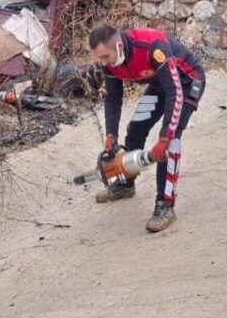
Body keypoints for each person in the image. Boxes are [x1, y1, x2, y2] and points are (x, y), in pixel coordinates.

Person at [88, 25, 206, 232]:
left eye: (106, 56)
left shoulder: (152, 46)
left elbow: (175, 92)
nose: (103, 63)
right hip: (161, 84)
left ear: (118, 45)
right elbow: (113, 98)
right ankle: (126, 184)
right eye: (100, 58)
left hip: (187, 82)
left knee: (171, 141)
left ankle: (165, 205)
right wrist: (111, 134)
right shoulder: (109, 62)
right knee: (135, 130)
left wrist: (166, 137)